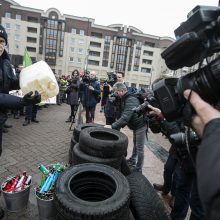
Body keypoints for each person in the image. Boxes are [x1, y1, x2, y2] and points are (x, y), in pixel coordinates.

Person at [0, 24, 41, 219]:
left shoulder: (6, 64)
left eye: (1, 41)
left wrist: (33, 89)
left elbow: (13, 85)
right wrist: (21, 102)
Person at [184, 89, 220, 220]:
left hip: (203, 164)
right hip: (189, 158)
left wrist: (214, 132)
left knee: (198, 206)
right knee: (193, 199)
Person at [107, 82, 148, 172]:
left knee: (140, 147)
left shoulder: (130, 100)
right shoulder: (124, 98)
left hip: (140, 125)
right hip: (135, 125)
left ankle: (138, 168)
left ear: (122, 91)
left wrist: (112, 126)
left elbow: (125, 117)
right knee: (135, 144)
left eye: (116, 92)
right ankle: (133, 160)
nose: (116, 94)